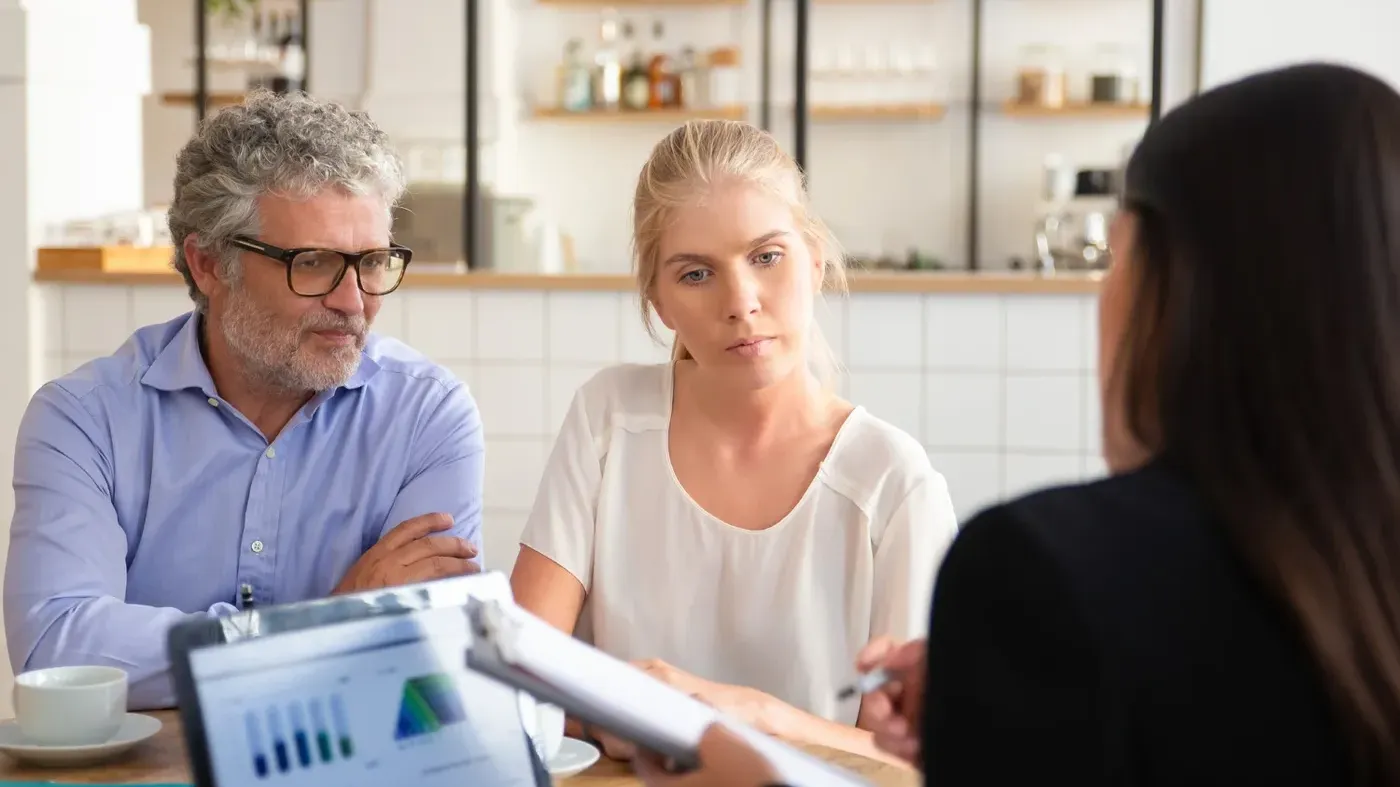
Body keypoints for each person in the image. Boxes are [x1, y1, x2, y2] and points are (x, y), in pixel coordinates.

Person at [630, 61, 1400, 786]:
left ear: (1173, 296)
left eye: (1118, 259)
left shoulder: (1038, 569)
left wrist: (751, 751)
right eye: (695, 271)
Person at [5, 90, 485, 710]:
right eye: (312, 263)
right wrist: (327, 626)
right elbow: (58, 648)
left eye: (372, 261)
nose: (353, 300)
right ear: (208, 265)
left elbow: (427, 654)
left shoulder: (427, 417)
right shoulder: (84, 420)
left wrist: (253, 647)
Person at [508, 119, 959, 763]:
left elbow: (920, 755)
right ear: (658, 301)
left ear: (815, 260)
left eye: (767, 257)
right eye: (696, 274)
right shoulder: (608, 418)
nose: (740, 301)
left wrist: (758, 717)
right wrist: (610, 719)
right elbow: (519, 672)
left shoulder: (892, 481)